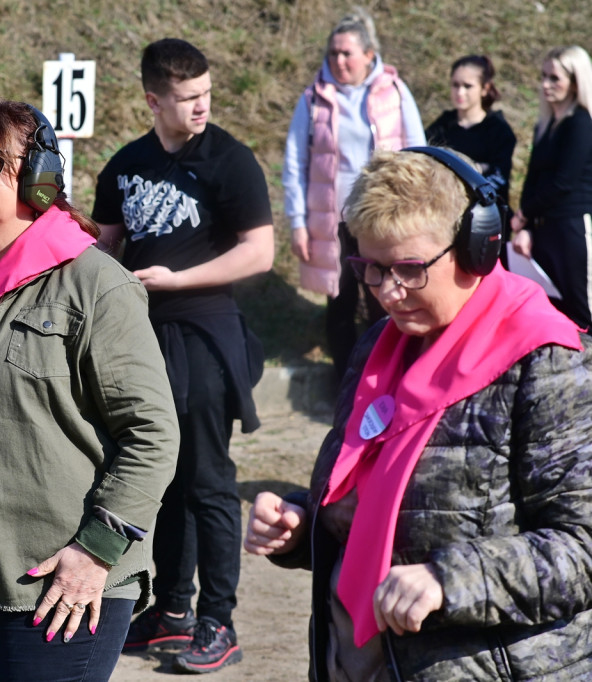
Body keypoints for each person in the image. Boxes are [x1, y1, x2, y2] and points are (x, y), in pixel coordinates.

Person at [246, 148, 592, 681]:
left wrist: (448, 579)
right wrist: (302, 524)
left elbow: (579, 549)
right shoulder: (377, 349)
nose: (388, 291)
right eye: (371, 268)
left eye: (409, 268)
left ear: (477, 247)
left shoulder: (546, 360)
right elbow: (376, 513)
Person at [0, 100, 179, 682]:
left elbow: (152, 433)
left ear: (41, 176)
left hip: (60, 582)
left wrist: (95, 550)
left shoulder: (96, 285)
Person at [91, 38, 274, 674]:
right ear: (153, 100)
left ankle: (217, 620)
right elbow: (108, 246)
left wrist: (177, 278)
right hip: (141, 336)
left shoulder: (230, 160)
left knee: (207, 482)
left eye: (206, 95)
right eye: (187, 98)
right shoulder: (124, 164)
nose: (201, 107)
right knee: (157, 478)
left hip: (205, 331)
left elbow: (260, 253)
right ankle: (171, 612)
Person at [283, 8, 425, 382]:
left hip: (383, 219)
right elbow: (295, 162)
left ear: (368, 54)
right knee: (340, 302)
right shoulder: (314, 98)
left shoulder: (394, 92)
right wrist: (297, 223)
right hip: (334, 222)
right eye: (333, 53)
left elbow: (418, 150)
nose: (339, 60)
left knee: (385, 300)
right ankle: (345, 384)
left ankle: (388, 379)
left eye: (347, 53)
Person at [511, 45, 592, 329]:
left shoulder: (582, 122)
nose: (545, 84)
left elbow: (564, 183)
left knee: (582, 311)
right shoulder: (546, 124)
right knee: (552, 309)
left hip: (572, 228)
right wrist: (526, 227)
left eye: (554, 78)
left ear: (575, 81)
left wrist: (523, 215)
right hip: (545, 229)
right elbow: (533, 178)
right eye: (543, 76)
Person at [425, 55, 516, 210]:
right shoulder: (443, 125)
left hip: (486, 213)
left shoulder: (498, 129)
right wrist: (479, 167)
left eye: (467, 86)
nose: (460, 92)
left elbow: (499, 178)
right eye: (455, 85)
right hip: (446, 210)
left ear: (485, 88)